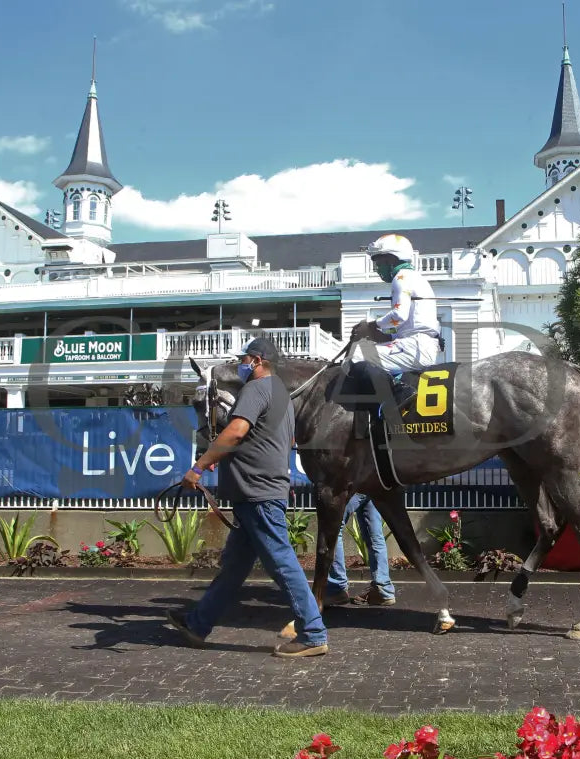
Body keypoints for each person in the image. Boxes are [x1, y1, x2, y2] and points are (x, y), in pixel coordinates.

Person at [166, 337, 328, 658]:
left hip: (257, 493)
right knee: (234, 567)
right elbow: (277, 439)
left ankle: (312, 633)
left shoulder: (255, 389)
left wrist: (199, 466)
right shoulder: (282, 395)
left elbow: (237, 430)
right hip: (259, 491)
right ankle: (198, 624)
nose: (241, 365)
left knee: (281, 563)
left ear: (255, 360)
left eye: (244, 360)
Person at [347, 233, 443, 378]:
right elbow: (406, 327)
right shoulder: (415, 277)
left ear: (392, 259)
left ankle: (398, 391)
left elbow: (399, 315)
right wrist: (375, 334)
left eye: (379, 264)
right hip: (417, 345)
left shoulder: (401, 278)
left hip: (414, 348)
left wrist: (371, 326)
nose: (377, 269)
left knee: (357, 354)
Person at [325, 493, 396, 607]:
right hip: (373, 483)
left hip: (354, 481)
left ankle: (337, 589)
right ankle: (383, 590)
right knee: (374, 534)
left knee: (332, 527)